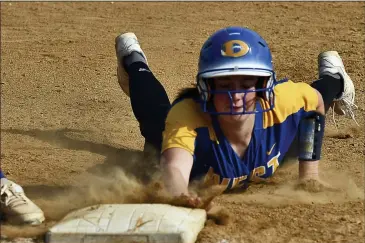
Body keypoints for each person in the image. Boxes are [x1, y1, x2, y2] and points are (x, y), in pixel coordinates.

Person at [115, 27, 357, 204]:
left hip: (278, 147)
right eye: (225, 84)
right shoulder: (189, 116)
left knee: (318, 98)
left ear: (263, 86)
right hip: (191, 146)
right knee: (157, 117)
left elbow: (314, 101)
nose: (236, 96)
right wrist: (180, 194)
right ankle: (134, 61)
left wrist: (309, 173)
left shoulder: (281, 104)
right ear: (207, 88)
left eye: (245, 84)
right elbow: (175, 166)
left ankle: (335, 77)